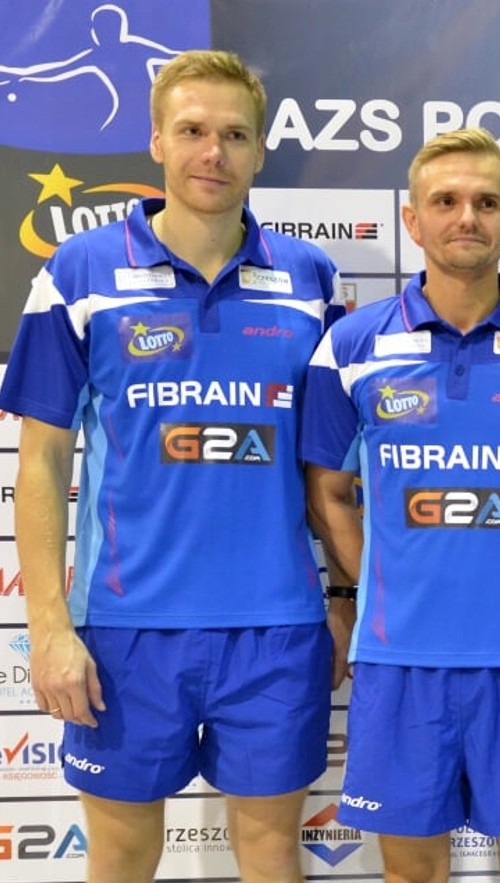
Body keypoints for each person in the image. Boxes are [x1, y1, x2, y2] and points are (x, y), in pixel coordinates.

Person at [2, 49, 345, 883]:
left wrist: (343, 595)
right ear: (156, 141)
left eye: (234, 134)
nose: (212, 153)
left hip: (276, 627)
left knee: (271, 854)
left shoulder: (311, 279)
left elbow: (329, 470)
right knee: (122, 857)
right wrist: (48, 628)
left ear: (261, 150)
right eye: (191, 131)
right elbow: (42, 458)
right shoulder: (80, 271)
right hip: (125, 629)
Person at [301, 127, 500, 883]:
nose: (466, 217)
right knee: (411, 872)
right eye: (445, 201)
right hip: (400, 657)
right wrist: (386, 577)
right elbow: (327, 492)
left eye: (486, 202)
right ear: (412, 221)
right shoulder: (350, 345)